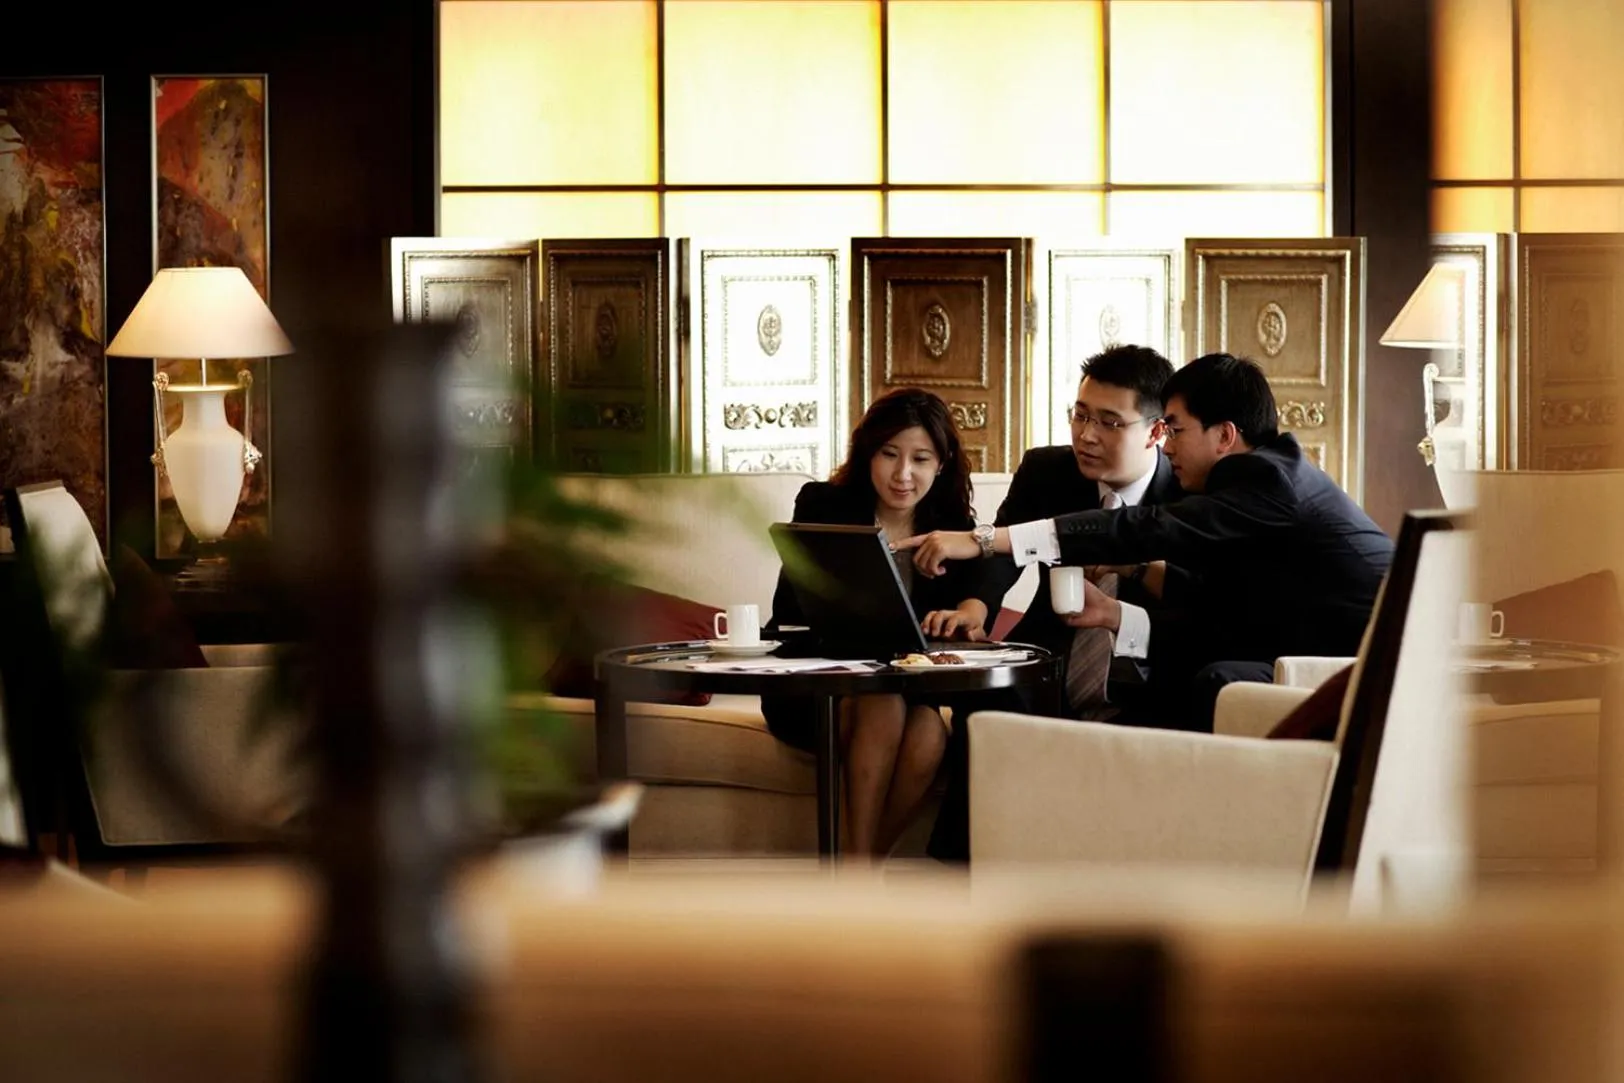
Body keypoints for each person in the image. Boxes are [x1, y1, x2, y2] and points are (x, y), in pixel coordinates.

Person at [902, 352, 1394, 731]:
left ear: (1224, 436)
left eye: (1176, 430)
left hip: (1362, 661)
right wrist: (1134, 576)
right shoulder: (1262, 479)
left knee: (1216, 680)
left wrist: (986, 539)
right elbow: (1221, 599)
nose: (1170, 444)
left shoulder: (1264, 481)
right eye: (1080, 416)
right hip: (1312, 646)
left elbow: (1144, 530)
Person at [923, 345, 1185, 862]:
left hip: (1141, 683)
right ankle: (958, 877)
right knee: (984, 697)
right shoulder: (1049, 471)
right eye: (1081, 415)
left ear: (1156, 432)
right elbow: (1002, 546)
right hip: (1053, 669)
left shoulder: (1187, 492)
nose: (1086, 435)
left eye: (1110, 422)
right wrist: (975, 606)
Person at [762, 387, 988, 859]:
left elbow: (970, 607)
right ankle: (860, 875)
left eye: (921, 459)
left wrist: (961, 617)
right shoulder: (825, 505)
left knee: (929, 732)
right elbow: (794, 609)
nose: (903, 474)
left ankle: (855, 869)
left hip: (905, 691)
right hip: (815, 685)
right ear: (868, 454)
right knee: (882, 706)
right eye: (889, 454)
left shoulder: (951, 528)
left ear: (941, 464)